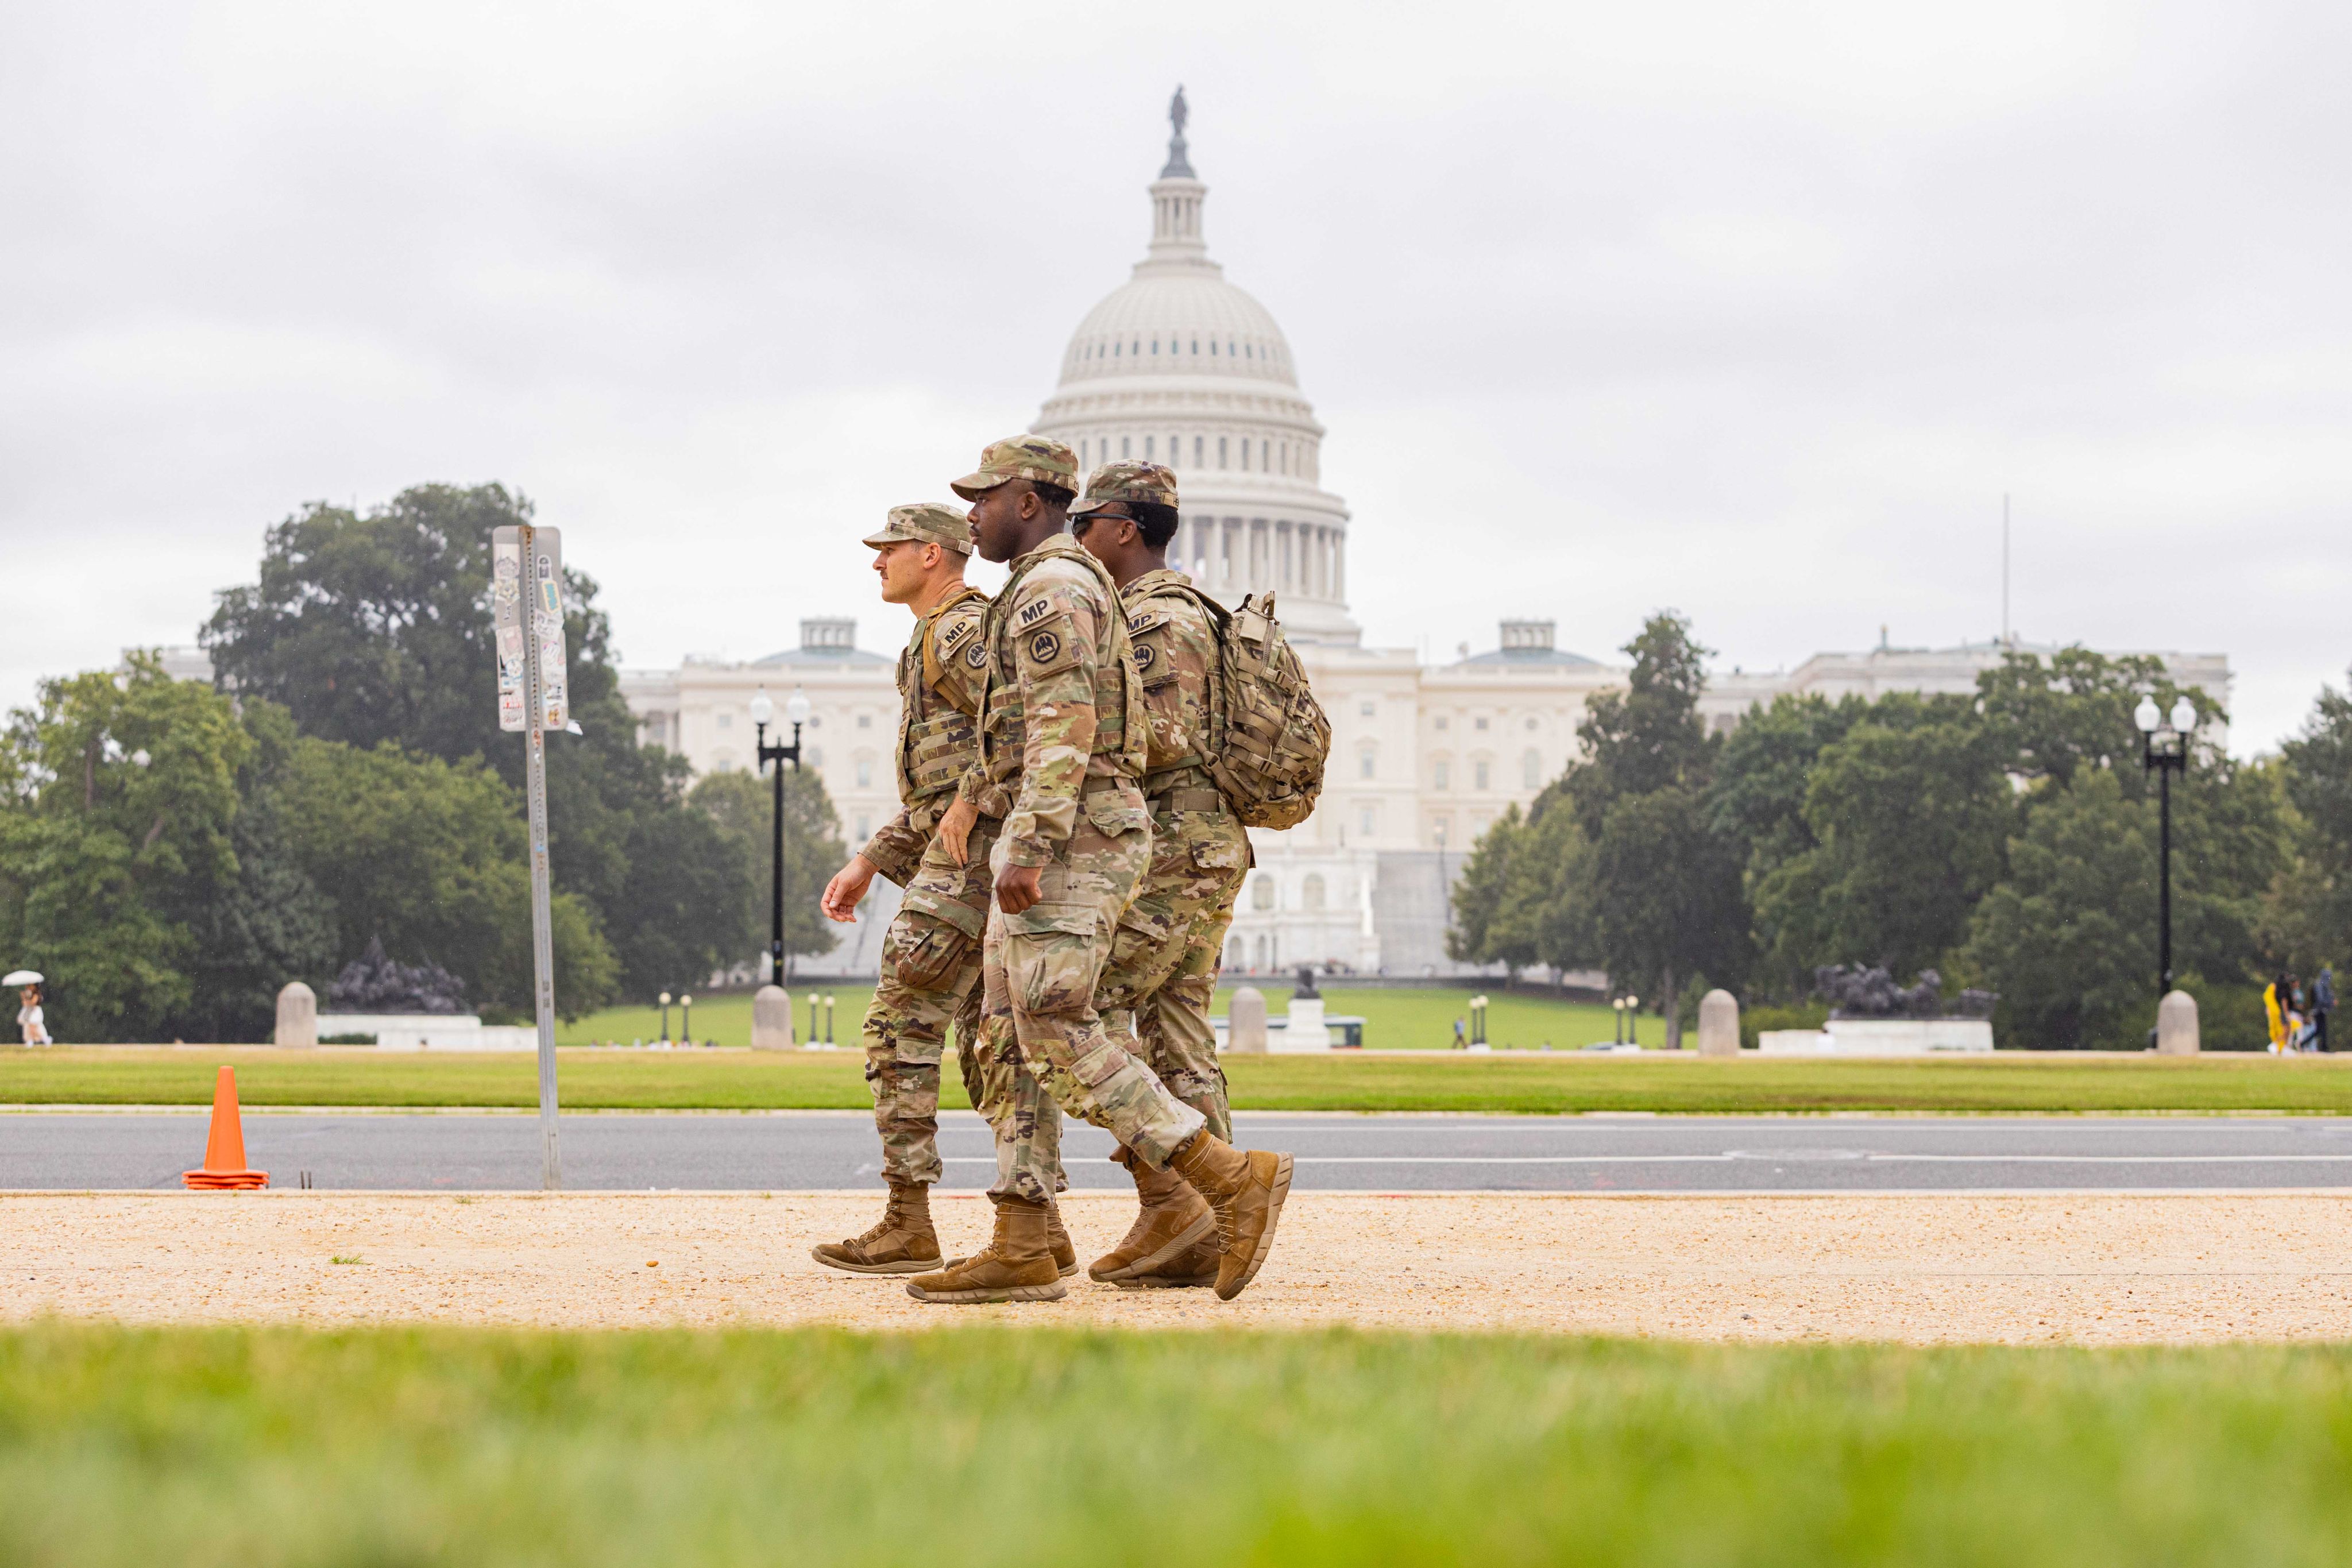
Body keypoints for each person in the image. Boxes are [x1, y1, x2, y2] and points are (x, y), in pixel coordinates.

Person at [907, 434, 1293, 1306]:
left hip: (1079, 833)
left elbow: (1063, 721)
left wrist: (1031, 840)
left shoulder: (1049, 589)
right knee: (1020, 1024)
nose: (972, 512)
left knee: (1053, 1021)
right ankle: (1027, 1230)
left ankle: (1220, 1182)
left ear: (1032, 503)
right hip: (1092, 827)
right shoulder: (1062, 587)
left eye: (987, 496)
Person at [810, 503, 1077, 1276]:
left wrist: (970, 800)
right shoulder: (937, 634)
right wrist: (871, 858)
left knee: (899, 1025)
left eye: (886, 548)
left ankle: (908, 1218)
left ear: (932, 553)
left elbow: (1027, 722)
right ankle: (1040, 1223)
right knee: (995, 1042)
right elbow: (944, 778)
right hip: (971, 858)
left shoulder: (959, 632)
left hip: (969, 863)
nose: (875, 562)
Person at [1068, 461, 1252, 1287]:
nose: (1075, 538)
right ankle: (1207, 1225)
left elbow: (1166, 736)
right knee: (1177, 1034)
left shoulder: (1154, 617)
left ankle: (1180, 1198)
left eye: (1086, 522)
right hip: (1199, 845)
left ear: (1126, 529)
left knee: (1078, 1015)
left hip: (1173, 848)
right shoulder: (1179, 609)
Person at [16, 982, 51, 1047]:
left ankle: (42, 1039)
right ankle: (32, 1040)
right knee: (29, 1026)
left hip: (35, 1012)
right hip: (29, 1011)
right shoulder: (28, 994)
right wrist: (24, 998)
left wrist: (26, 999)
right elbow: (25, 1004)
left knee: (34, 1026)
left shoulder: (36, 994)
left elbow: (33, 1003)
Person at [2314, 965, 2335, 1054]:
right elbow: (2321, 999)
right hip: (2318, 1011)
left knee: (2320, 1030)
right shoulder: (2320, 985)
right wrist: (2329, 1002)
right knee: (2322, 1030)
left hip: (2322, 1010)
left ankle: (2324, 1047)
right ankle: (2324, 1048)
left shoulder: (2324, 986)